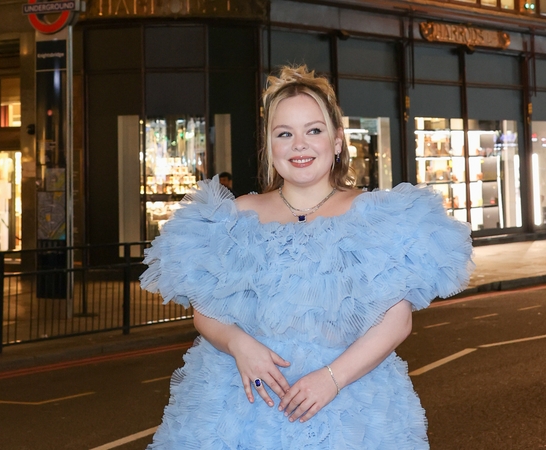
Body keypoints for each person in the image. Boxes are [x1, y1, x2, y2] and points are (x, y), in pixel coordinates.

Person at [140, 65, 474, 449]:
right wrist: (238, 344)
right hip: (240, 405)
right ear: (270, 146)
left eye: (313, 130)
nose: (300, 145)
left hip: (347, 404)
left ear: (336, 141)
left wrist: (331, 379)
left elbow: (395, 323)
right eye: (285, 134)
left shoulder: (375, 216)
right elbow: (205, 310)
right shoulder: (234, 217)